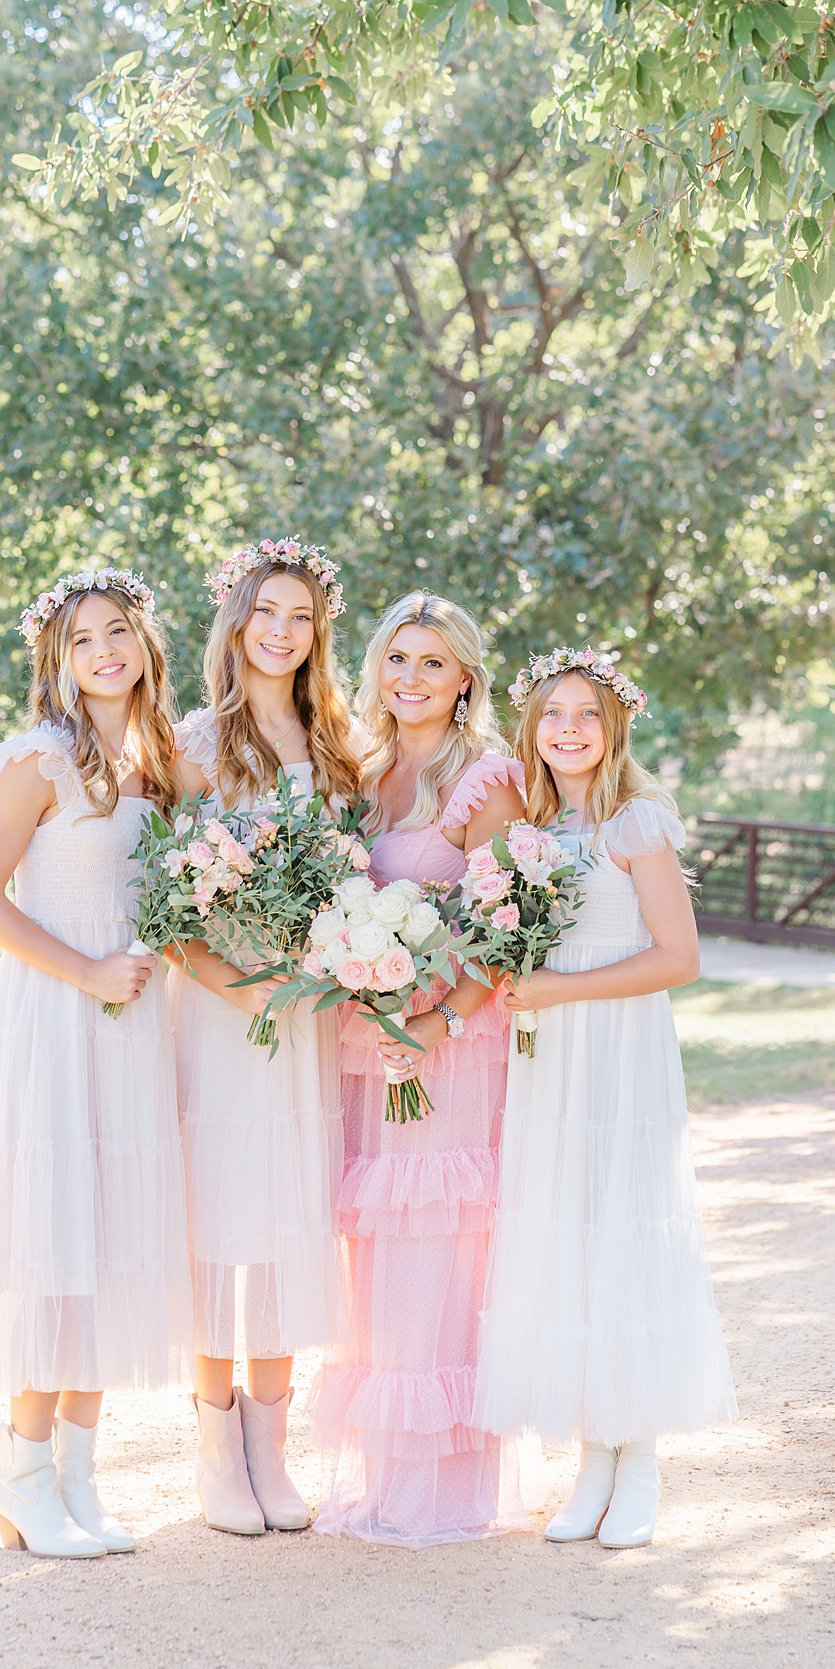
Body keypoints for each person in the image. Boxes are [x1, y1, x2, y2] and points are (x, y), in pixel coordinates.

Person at [472, 647, 737, 1548]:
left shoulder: (636, 825)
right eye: (553, 714)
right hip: (551, 1062)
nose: (570, 728)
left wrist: (557, 989)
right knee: (569, 1235)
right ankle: (593, 1455)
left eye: (588, 713)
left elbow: (680, 959)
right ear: (531, 729)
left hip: (619, 1053)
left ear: (615, 726)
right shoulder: (535, 832)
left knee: (622, 1229)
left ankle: (641, 1458)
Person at [0, 568, 191, 1558]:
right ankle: (21, 1471)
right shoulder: (38, 761)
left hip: (131, 1023)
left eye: (119, 631)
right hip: (55, 1016)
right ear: (57, 657)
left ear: (144, 644)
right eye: (83, 637)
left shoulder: (158, 760)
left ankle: (80, 1478)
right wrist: (88, 969)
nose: (104, 650)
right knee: (55, 1238)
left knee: (109, 1237)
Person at [309, 591, 546, 1546]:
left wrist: (441, 1016)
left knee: (439, 1247)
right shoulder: (355, 774)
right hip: (368, 1040)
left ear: (465, 681)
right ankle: (383, 1473)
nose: (410, 678)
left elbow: (509, 919)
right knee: (372, 1253)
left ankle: (444, 1487)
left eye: (433, 662)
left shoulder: (486, 780)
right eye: (397, 658)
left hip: (449, 1045)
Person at [169, 536, 361, 1536]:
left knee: (289, 1217)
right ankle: (214, 1443)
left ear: (318, 633)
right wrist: (236, 986)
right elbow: (163, 907)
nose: (281, 631)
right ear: (237, 620)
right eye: (266, 611)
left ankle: (270, 1445)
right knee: (216, 1225)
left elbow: (359, 879)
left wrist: (331, 957)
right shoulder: (197, 742)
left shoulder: (339, 742)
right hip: (221, 1009)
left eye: (301, 617)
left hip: (304, 1018)